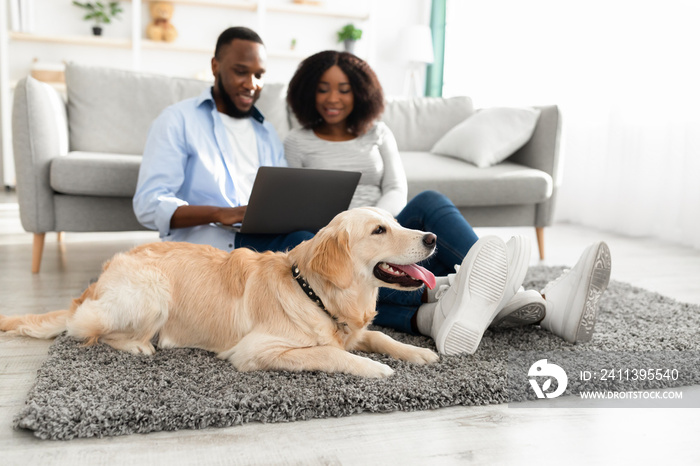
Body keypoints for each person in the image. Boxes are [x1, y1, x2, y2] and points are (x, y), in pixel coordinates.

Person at [283, 50, 612, 355]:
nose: (332, 98)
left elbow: (396, 185)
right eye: (323, 88)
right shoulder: (297, 141)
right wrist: (352, 234)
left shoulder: (377, 133)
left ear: (360, 92)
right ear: (308, 92)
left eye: (343, 89)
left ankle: (489, 281)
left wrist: (385, 228)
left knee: (430, 200)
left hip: (387, 221)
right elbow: (296, 200)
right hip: (339, 243)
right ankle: (540, 304)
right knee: (325, 263)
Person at [133, 26, 313, 254]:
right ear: (215, 66)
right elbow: (148, 205)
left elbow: (281, 199)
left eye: (259, 75)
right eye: (241, 72)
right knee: (309, 248)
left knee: (327, 246)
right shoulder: (177, 120)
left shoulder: (266, 132)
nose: (251, 84)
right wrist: (221, 213)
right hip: (212, 248)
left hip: (263, 244)